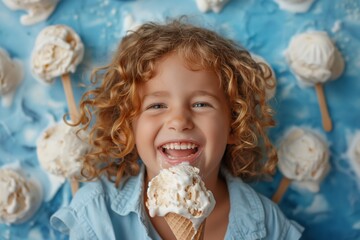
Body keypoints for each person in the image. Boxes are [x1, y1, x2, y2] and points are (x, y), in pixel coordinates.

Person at [50, 18, 304, 239]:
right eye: (157, 105)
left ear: (234, 125)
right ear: (128, 127)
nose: (179, 120)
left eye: (201, 103)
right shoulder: (97, 215)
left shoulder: (268, 225)